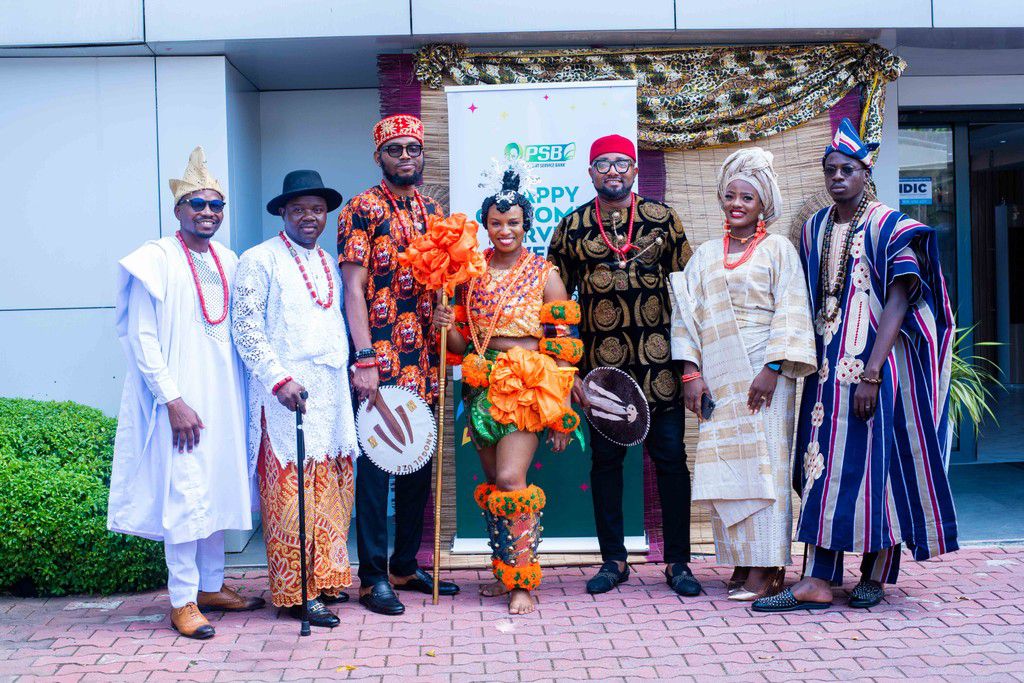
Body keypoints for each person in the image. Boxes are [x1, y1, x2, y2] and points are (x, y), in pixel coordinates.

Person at [754, 119, 959, 613]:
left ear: (867, 172)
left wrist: (872, 372)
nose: (838, 177)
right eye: (831, 170)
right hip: (826, 369)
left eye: (848, 169)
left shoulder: (891, 225)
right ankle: (818, 579)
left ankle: (874, 574)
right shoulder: (815, 228)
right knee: (821, 465)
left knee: (875, 467)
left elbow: (901, 298)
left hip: (878, 369)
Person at [108, 147, 263, 640]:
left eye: (216, 205)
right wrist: (172, 400)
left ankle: (212, 586)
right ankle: (182, 600)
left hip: (224, 394)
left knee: (214, 487)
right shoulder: (154, 259)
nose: (208, 213)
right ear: (178, 209)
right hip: (179, 399)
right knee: (184, 495)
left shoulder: (230, 260)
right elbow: (141, 337)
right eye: (198, 203)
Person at [548, 134, 700, 597]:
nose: (612, 171)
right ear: (590, 173)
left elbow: (687, 291)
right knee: (606, 464)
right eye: (602, 164)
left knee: (672, 462)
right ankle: (613, 559)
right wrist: (568, 370)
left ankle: (678, 562)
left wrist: (691, 367)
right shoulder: (572, 227)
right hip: (603, 374)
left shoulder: (662, 219)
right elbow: (556, 310)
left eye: (621, 163)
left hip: (661, 372)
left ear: (634, 170)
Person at [433, 161, 583, 614]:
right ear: (486, 225)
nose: (504, 230)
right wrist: (446, 326)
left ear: (525, 224)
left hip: (525, 382)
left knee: (510, 479)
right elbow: (463, 343)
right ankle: (504, 571)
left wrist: (558, 411)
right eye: (496, 223)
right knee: (493, 484)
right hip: (480, 385)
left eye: (513, 223)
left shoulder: (545, 274)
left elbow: (565, 347)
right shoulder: (469, 277)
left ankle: (523, 581)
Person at [669, 148, 816, 601]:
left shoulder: (779, 250)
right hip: (719, 371)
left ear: (762, 205)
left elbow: (791, 312)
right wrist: (691, 374)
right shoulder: (707, 254)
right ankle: (741, 560)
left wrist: (773, 367)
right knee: (727, 465)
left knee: (765, 465)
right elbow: (685, 316)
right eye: (730, 196)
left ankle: (769, 565)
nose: (737, 204)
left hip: (765, 374)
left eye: (747, 198)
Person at [337, 114, 460, 616]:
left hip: (426, 359)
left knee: (416, 462)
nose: (406, 156)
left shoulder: (433, 210)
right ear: (379, 157)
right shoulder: (360, 208)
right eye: (396, 150)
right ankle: (371, 577)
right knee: (376, 467)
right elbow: (352, 288)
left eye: (413, 148)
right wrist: (363, 356)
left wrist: (446, 308)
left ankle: (404, 565)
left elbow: (444, 278)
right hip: (380, 359)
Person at [232, 170, 357, 628]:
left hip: (329, 393)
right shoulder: (258, 259)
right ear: (283, 213)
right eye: (300, 209)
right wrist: (278, 379)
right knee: (291, 496)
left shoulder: (327, 261)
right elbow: (245, 329)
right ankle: (295, 593)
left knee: (333, 489)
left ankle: (323, 580)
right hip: (284, 397)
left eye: (318, 209)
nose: (310, 217)